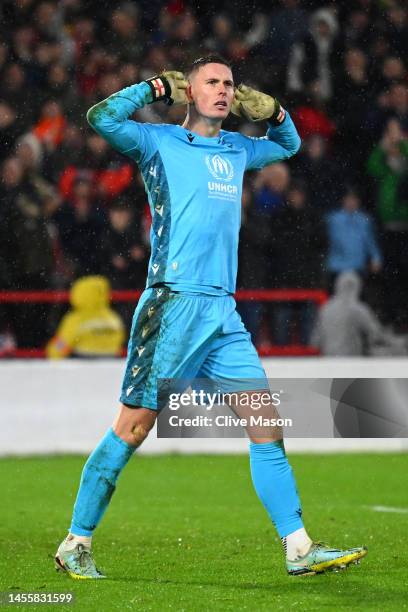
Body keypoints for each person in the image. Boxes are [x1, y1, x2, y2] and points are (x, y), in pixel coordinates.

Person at [55, 55, 366, 579]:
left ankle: (298, 547)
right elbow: (101, 118)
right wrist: (153, 85)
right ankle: (75, 543)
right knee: (132, 428)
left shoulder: (238, 148)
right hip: (173, 304)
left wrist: (277, 112)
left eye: (230, 84)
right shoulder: (159, 142)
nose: (224, 91)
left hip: (223, 310)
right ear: (189, 93)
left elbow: (288, 145)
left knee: (266, 425)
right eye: (211, 83)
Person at [311, 271, 405, 356]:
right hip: (351, 363)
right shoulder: (357, 308)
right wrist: (398, 342)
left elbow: (314, 342)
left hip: (328, 363)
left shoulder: (326, 308)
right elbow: (376, 334)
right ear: (357, 287)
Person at [46, 276, 125, 359]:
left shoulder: (76, 319)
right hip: (111, 363)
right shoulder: (114, 318)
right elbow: (120, 342)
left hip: (82, 363)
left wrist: (53, 354)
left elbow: (61, 345)